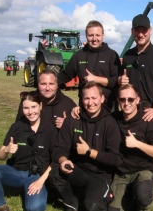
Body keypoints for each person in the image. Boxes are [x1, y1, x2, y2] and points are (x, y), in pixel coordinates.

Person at [49, 81, 123, 211]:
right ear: (81, 100)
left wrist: (89, 151)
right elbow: (59, 148)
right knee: (55, 171)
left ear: (102, 98)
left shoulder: (110, 123)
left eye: (94, 98)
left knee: (92, 207)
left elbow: (115, 159)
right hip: (78, 171)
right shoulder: (73, 119)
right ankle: (72, 202)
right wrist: (63, 160)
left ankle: (97, 196)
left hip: (100, 176)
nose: (90, 102)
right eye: (86, 98)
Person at [0, 91, 58, 211]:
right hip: (16, 172)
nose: (30, 112)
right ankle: (1, 206)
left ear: (40, 106)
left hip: (36, 176)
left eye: (34, 107)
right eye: (26, 108)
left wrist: (40, 181)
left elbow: (56, 160)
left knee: (35, 207)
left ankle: (33, 193)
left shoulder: (50, 130)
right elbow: (1, 156)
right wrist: (6, 150)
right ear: (22, 109)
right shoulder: (16, 127)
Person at [109, 84, 153, 211]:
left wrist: (137, 144)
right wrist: (77, 111)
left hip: (143, 170)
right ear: (118, 100)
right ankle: (129, 194)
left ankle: (141, 199)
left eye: (130, 99)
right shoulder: (113, 118)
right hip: (121, 173)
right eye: (122, 99)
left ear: (138, 100)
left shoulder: (148, 119)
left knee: (143, 197)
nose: (126, 103)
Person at [58, 20, 120, 112]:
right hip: (86, 107)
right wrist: (48, 83)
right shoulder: (79, 56)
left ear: (103, 35)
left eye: (97, 35)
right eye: (91, 35)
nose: (94, 39)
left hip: (109, 108)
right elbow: (65, 76)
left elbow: (116, 81)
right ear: (86, 36)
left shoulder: (112, 55)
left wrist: (95, 79)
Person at [118, 14, 153, 122]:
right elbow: (122, 81)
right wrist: (120, 80)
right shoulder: (128, 55)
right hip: (129, 110)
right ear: (132, 31)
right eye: (137, 30)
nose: (141, 34)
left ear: (150, 30)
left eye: (144, 30)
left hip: (149, 111)